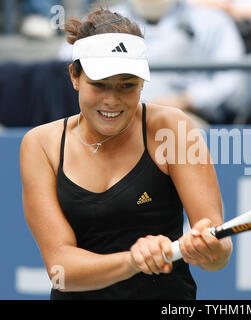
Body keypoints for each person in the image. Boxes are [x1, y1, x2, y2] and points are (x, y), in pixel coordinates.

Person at [20, 7, 232, 300]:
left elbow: (218, 255)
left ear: (143, 82)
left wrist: (210, 248)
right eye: (99, 84)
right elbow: (61, 270)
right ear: (74, 76)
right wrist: (134, 260)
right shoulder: (40, 145)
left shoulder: (174, 128)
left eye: (127, 85)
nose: (112, 100)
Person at [60, 0, 247, 124]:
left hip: (186, 117)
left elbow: (230, 79)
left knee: (179, 139)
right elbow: (64, 60)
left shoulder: (212, 21)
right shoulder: (100, 20)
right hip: (109, 114)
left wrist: (186, 100)